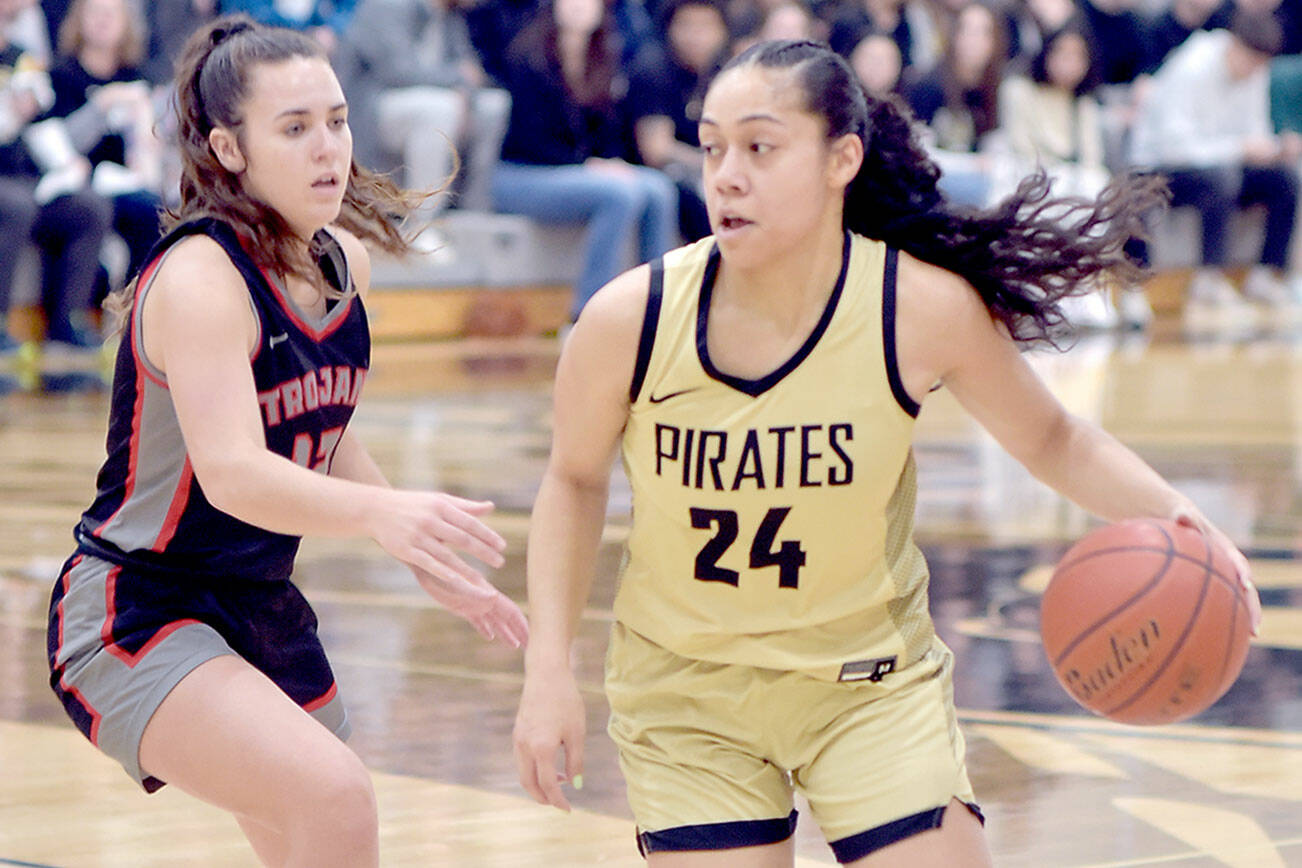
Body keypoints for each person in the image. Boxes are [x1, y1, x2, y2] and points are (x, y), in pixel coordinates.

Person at [512, 39, 1261, 867]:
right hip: (687, 696)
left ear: (843, 159)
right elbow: (574, 480)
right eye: (713, 145)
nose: (725, 173)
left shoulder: (916, 308)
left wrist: (1183, 521)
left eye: (759, 147)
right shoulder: (630, 319)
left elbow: (1053, 436)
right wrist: (548, 671)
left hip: (868, 687)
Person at [45, 16, 527, 867]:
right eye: (295, 128)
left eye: (337, 121)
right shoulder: (202, 281)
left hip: (256, 605)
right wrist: (385, 517)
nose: (328, 148)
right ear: (229, 149)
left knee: (319, 832)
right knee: (335, 795)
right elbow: (233, 474)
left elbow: (322, 435)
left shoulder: (343, 262)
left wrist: (422, 554)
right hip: (137, 607)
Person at [491, 0, 678, 319]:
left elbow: (607, 133)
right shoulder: (527, 58)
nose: (579, 6)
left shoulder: (604, 61)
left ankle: (659, 308)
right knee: (618, 194)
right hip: (523, 173)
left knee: (658, 189)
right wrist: (590, 165)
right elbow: (531, 140)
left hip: (579, 171)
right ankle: (587, 314)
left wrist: (610, 162)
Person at [1129, 9, 1302, 310]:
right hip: (1158, 170)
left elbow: (1253, 133)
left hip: (1222, 166)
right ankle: (1209, 278)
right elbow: (1174, 148)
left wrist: (1274, 149)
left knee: (1284, 179)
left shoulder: (1257, 73)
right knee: (1222, 177)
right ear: (1234, 46)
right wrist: (1238, 149)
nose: (1254, 71)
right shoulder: (1192, 66)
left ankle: (1267, 273)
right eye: (1251, 61)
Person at [339, 0, 510, 215]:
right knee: (439, 109)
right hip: (372, 110)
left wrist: (463, 86)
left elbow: (471, 72)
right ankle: (424, 218)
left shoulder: (450, 16)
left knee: (494, 105)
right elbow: (397, 71)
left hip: (436, 100)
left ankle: (474, 210)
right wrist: (457, 80)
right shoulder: (387, 5)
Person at [47, 0, 166, 290]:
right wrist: (101, 105)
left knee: (154, 208)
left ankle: (136, 306)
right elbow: (59, 142)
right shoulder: (61, 74)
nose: (103, 21)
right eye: (95, 13)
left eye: (111, 14)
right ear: (79, 20)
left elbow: (148, 144)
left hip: (122, 184)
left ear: (126, 24)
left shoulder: (136, 78)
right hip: (73, 181)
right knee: (98, 208)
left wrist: (145, 132)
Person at [626, 0, 731, 242]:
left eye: (705, 27)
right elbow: (656, 150)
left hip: (702, 165)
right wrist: (711, 159)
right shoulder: (653, 69)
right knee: (694, 197)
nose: (695, 36)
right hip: (653, 171)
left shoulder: (723, 73)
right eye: (686, 25)